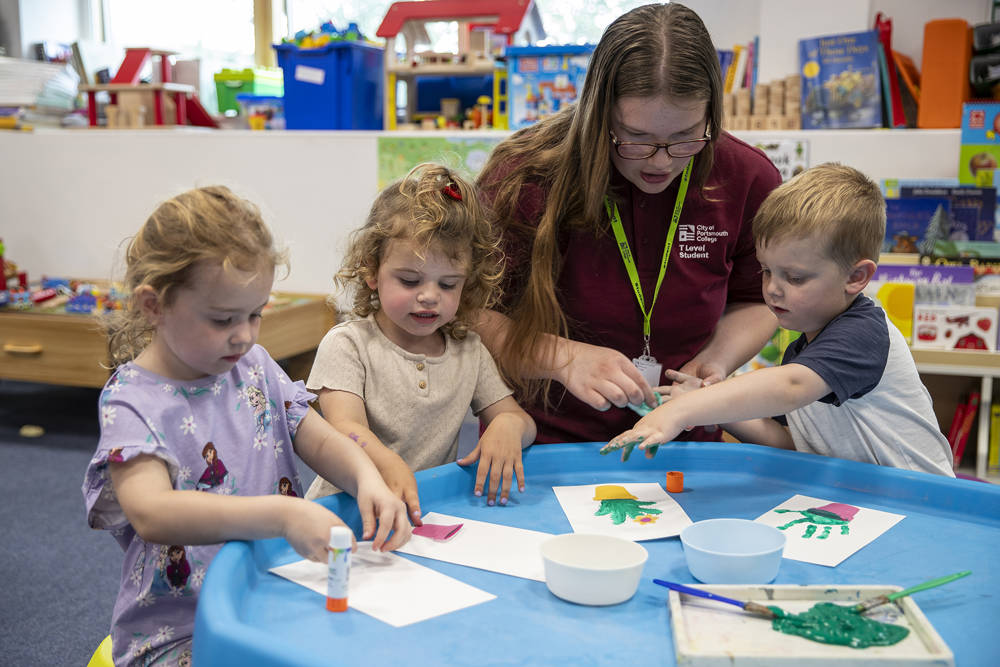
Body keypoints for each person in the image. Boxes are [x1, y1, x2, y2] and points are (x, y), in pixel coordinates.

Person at [82, 186, 412, 666]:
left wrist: (366, 478)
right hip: (182, 630)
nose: (244, 334)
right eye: (222, 319)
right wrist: (283, 514)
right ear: (153, 306)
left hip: (275, 595)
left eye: (255, 314)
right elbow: (151, 512)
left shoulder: (254, 365)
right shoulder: (132, 401)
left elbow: (317, 438)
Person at [475, 2, 782, 444]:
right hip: (542, 443)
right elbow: (470, 314)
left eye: (685, 137)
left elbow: (758, 299)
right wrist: (562, 358)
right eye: (636, 138)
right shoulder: (524, 176)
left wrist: (714, 361)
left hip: (679, 439)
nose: (661, 161)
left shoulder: (748, 178)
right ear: (599, 115)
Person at [604, 163, 955, 477]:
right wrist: (702, 407)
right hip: (867, 502)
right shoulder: (803, 350)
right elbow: (791, 445)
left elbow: (789, 388)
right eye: (766, 271)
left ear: (856, 277)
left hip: (924, 502)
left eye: (795, 278)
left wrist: (679, 413)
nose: (772, 289)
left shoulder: (864, 333)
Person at [304, 163, 536, 518]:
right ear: (371, 270)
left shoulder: (468, 351)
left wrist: (509, 426)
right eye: (410, 281)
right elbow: (342, 428)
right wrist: (387, 463)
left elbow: (520, 420)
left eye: (448, 284)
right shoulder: (348, 345)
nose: (429, 296)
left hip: (419, 512)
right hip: (342, 513)